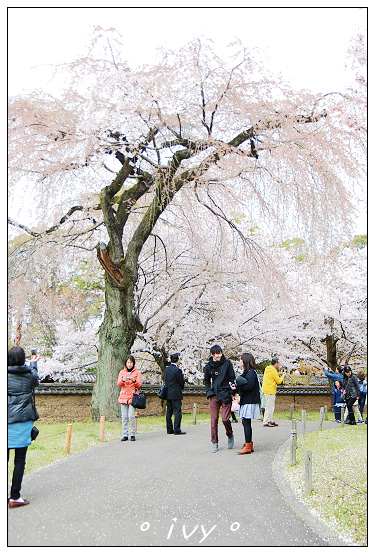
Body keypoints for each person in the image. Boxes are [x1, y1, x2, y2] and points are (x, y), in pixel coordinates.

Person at [8, 346, 39, 508]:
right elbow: (36, 380)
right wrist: (33, 363)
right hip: (24, 420)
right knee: (19, 460)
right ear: (22, 359)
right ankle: (14, 496)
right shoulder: (29, 375)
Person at [204, 345, 236, 453]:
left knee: (225, 419)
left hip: (226, 393)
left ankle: (230, 434)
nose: (219, 356)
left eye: (220, 353)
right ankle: (214, 442)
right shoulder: (208, 366)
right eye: (217, 354)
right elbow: (207, 381)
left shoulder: (227, 364)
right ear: (212, 355)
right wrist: (209, 392)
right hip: (214, 394)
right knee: (213, 420)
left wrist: (232, 392)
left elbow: (232, 378)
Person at [235, 353, 261, 454]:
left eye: (241, 360)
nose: (240, 361)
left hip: (249, 401)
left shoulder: (251, 373)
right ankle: (249, 444)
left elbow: (249, 386)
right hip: (247, 401)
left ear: (245, 361)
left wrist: (240, 387)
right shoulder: (247, 373)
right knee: (246, 423)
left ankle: (248, 445)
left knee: (246, 423)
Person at [117, 355, 142, 441]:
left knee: (131, 416)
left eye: (131, 362)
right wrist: (122, 380)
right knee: (124, 417)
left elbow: (139, 385)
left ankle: (132, 434)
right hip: (123, 396)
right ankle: (125, 434)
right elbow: (118, 384)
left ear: (133, 363)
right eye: (128, 362)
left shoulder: (137, 372)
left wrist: (134, 381)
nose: (129, 364)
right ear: (125, 363)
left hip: (132, 396)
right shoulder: (121, 372)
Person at [164, 353, 186, 435]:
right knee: (177, 411)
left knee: (169, 412)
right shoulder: (177, 370)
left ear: (170, 360)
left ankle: (169, 429)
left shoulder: (166, 369)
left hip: (168, 393)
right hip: (176, 393)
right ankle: (177, 429)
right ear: (178, 360)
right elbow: (181, 382)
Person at [261, 357, 285, 427]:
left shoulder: (268, 369)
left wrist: (279, 374)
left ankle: (270, 420)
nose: (279, 365)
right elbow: (278, 381)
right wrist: (283, 376)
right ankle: (266, 421)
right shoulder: (273, 370)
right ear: (276, 363)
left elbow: (272, 377)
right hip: (270, 390)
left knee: (270, 406)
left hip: (266, 390)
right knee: (269, 407)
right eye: (278, 363)